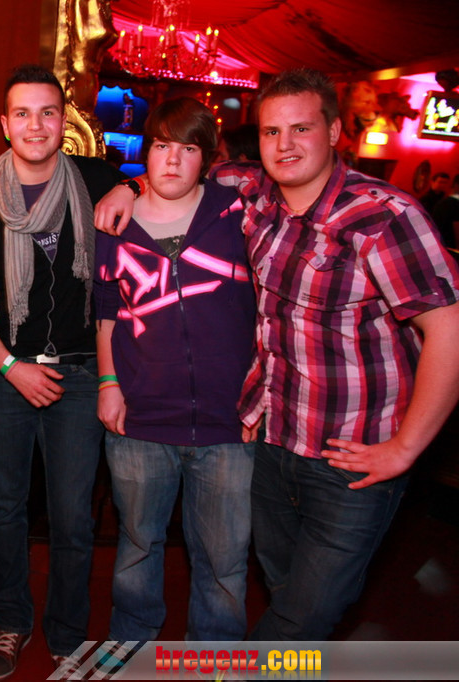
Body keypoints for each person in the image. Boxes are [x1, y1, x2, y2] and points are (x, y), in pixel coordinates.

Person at [95, 68, 459, 641]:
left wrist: (406, 448)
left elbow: (450, 329)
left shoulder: (382, 214)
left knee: (298, 616)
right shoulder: (255, 194)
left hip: (350, 455)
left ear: (334, 131)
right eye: (271, 131)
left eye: (301, 129)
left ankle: (225, 671)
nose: (285, 144)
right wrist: (129, 184)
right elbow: (180, 164)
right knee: (284, 591)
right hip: (273, 442)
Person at [0, 64, 124, 679]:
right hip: (3, 375)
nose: (35, 125)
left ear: (62, 121)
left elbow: (158, 186)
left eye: (47, 113)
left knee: (74, 516)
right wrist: (10, 366)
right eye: (22, 114)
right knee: (5, 509)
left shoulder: (98, 180)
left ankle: (68, 635)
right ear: (5, 124)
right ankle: (12, 623)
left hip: (80, 374)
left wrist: (131, 188)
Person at [95, 97, 256, 643]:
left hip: (228, 420)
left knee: (225, 561)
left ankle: (216, 663)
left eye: (188, 149)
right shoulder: (115, 221)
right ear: (146, 151)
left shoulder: (238, 212)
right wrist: (109, 383)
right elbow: (105, 311)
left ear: (207, 158)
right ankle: (131, 646)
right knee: (137, 549)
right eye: (162, 145)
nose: (172, 160)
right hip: (140, 416)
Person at [431, 174, 459, 250]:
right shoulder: (454, 204)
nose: (443, 185)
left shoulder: (443, 201)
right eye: (441, 182)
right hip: (449, 248)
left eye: (445, 183)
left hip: (439, 245)